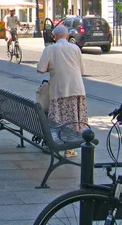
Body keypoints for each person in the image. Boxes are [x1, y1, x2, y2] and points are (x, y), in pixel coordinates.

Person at [36, 25, 88, 158]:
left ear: (54, 36)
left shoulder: (50, 49)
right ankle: (70, 148)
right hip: (77, 88)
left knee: (58, 118)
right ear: (67, 36)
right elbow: (82, 70)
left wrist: (53, 69)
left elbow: (40, 69)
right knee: (74, 119)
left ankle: (54, 143)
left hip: (59, 89)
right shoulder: (75, 48)